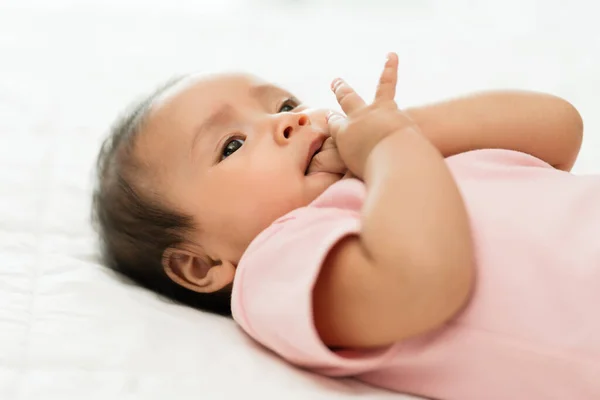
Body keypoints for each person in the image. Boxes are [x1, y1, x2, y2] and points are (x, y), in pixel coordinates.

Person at [93, 53, 600, 399]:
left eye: (285, 105)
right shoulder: (279, 260)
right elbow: (420, 281)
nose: (287, 122)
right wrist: (387, 147)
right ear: (199, 264)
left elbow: (558, 129)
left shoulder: (394, 162)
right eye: (232, 145)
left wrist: (403, 130)